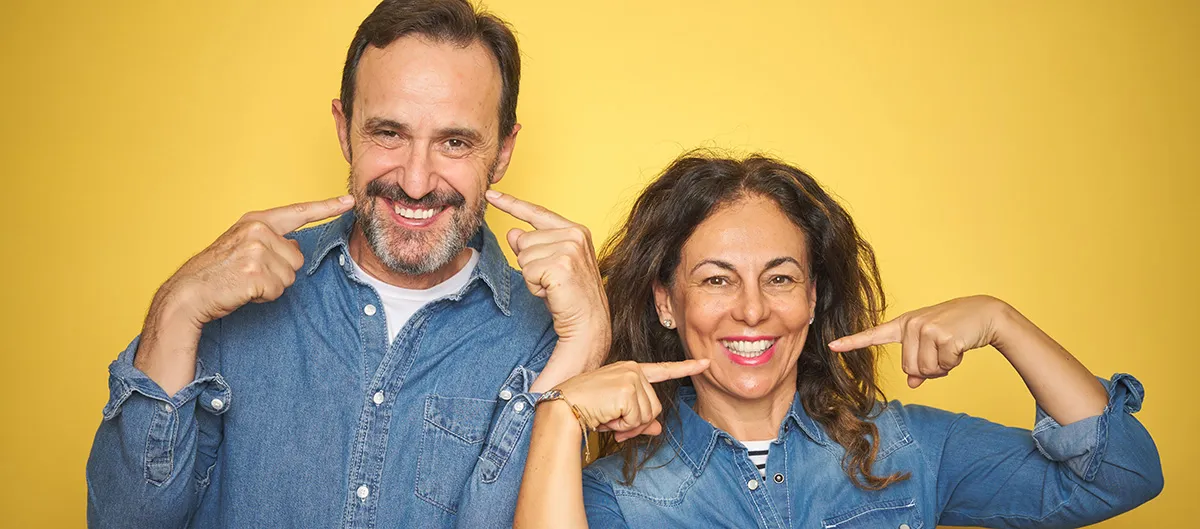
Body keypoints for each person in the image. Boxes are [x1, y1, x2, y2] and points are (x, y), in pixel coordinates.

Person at [86, 1, 610, 527]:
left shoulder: (548, 336)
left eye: (455, 142)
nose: (415, 181)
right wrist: (177, 305)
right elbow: (122, 520)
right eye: (389, 133)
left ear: (501, 152)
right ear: (344, 129)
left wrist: (587, 340)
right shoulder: (234, 294)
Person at [514, 153, 1163, 528]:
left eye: (781, 277)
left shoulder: (906, 447)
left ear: (814, 296)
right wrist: (561, 412)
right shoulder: (612, 497)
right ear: (666, 300)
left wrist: (1002, 321)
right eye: (716, 279)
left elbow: (1121, 475)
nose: (752, 309)